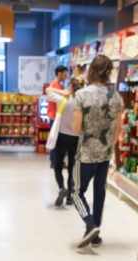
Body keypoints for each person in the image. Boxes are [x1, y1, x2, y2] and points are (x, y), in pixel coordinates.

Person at [70, 55, 124, 248]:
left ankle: (90, 224)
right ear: (109, 72)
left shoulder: (82, 95)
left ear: (91, 70)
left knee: (75, 192)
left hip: (85, 153)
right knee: (99, 192)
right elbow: (118, 129)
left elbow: (76, 129)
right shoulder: (116, 96)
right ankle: (95, 233)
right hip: (105, 153)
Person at [50, 77, 85, 207]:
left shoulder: (62, 99)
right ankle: (70, 196)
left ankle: (61, 188)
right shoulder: (81, 102)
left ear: (69, 87)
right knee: (72, 167)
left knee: (58, 166)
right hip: (75, 138)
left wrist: (63, 92)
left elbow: (48, 91)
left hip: (61, 136)